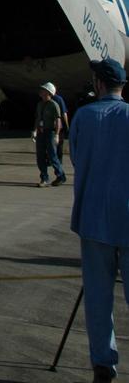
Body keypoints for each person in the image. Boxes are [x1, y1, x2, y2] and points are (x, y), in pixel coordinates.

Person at [69, 56, 129, 383]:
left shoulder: (84, 117)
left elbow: (78, 159)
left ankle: (103, 364)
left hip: (93, 219)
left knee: (98, 297)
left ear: (100, 83)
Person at [32, 81, 67, 185]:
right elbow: (38, 118)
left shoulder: (54, 105)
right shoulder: (39, 104)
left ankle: (60, 175)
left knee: (52, 156)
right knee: (40, 156)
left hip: (50, 132)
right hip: (41, 132)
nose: (40, 92)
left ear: (48, 92)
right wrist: (34, 130)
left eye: (43, 90)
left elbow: (58, 121)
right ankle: (44, 178)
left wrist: (57, 134)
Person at [54, 85, 70, 162]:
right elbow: (64, 113)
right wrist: (67, 126)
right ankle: (58, 159)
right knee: (59, 143)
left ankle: (55, 159)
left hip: (55, 125)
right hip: (58, 125)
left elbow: (64, 113)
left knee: (55, 143)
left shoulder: (55, 99)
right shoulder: (58, 98)